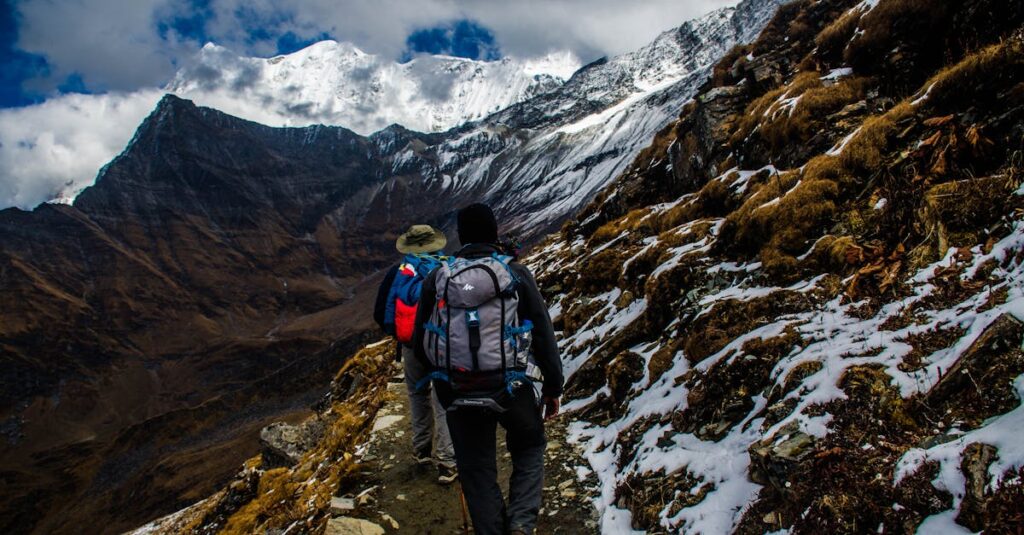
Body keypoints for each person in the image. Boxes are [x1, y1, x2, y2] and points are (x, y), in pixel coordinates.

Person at [413, 203, 563, 535]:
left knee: (476, 469)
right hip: (510, 386)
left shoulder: (438, 278)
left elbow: (421, 340)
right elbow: (542, 332)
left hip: (458, 388)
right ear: (495, 233)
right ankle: (522, 523)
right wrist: (553, 386)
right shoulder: (516, 274)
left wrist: (444, 385)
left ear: (461, 237)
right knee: (530, 444)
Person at [373, 224, 458, 484]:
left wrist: (401, 335)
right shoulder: (449, 268)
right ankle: (447, 461)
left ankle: (422, 450)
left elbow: (380, 312)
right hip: (442, 345)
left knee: (417, 393)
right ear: (436, 244)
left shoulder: (398, 273)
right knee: (443, 398)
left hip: (411, 345)